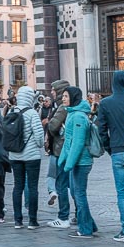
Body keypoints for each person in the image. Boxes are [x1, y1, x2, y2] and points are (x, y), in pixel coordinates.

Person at [97, 71, 124, 242]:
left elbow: (101, 130)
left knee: (122, 193)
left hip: (117, 150)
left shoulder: (106, 103)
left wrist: (109, 147)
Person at [58, 86, 98, 238]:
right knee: (77, 192)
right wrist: (63, 159)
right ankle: (89, 225)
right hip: (77, 161)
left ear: (73, 98)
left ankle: (85, 229)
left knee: (79, 194)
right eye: (63, 96)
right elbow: (68, 141)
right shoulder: (73, 114)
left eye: (66, 96)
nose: (63, 99)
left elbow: (78, 142)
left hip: (81, 162)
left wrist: (68, 163)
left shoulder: (78, 117)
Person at [6, 86, 44, 229]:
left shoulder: (11, 111)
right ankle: (32, 221)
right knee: (32, 187)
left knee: (17, 186)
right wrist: (38, 145)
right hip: (31, 156)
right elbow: (39, 137)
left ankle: (17, 220)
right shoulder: (32, 113)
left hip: (14, 155)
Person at [44, 79, 73, 228]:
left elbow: (53, 125)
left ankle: (63, 217)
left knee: (61, 183)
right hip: (68, 149)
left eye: (54, 90)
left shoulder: (62, 108)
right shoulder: (70, 106)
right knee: (73, 185)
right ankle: (80, 214)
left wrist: (50, 123)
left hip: (60, 149)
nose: (52, 93)